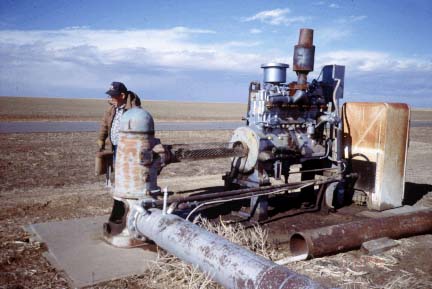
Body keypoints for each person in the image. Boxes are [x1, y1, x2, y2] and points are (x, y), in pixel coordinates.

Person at [97, 81, 141, 156]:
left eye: (113, 96)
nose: (110, 99)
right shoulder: (111, 109)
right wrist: (101, 139)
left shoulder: (134, 111)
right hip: (113, 146)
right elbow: (105, 125)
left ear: (122, 96)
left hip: (127, 149)